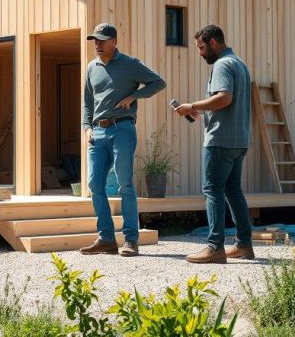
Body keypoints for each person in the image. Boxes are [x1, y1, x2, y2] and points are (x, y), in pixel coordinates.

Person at [80, 23, 166, 257]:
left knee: (125, 184)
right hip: (97, 133)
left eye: (102, 40)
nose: (97, 44)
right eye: (94, 40)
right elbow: (87, 102)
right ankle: (106, 239)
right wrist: (86, 127)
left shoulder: (130, 64)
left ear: (114, 42)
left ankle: (131, 240)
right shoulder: (91, 67)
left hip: (122, 130)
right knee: (95, 185)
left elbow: (158, 82)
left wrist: (134, 96)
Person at [174, 24, 254, 264]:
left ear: (213, 43)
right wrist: (204, 112)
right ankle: (244, 245)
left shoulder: (222, 64)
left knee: (212, 191)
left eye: (201, 47)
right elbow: (227, 101)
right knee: (233, 191)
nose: (200, 52)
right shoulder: (239, 63)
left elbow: (224, 98)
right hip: (239, 139)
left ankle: (214, 247)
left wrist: (193, 106)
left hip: (219, 141)